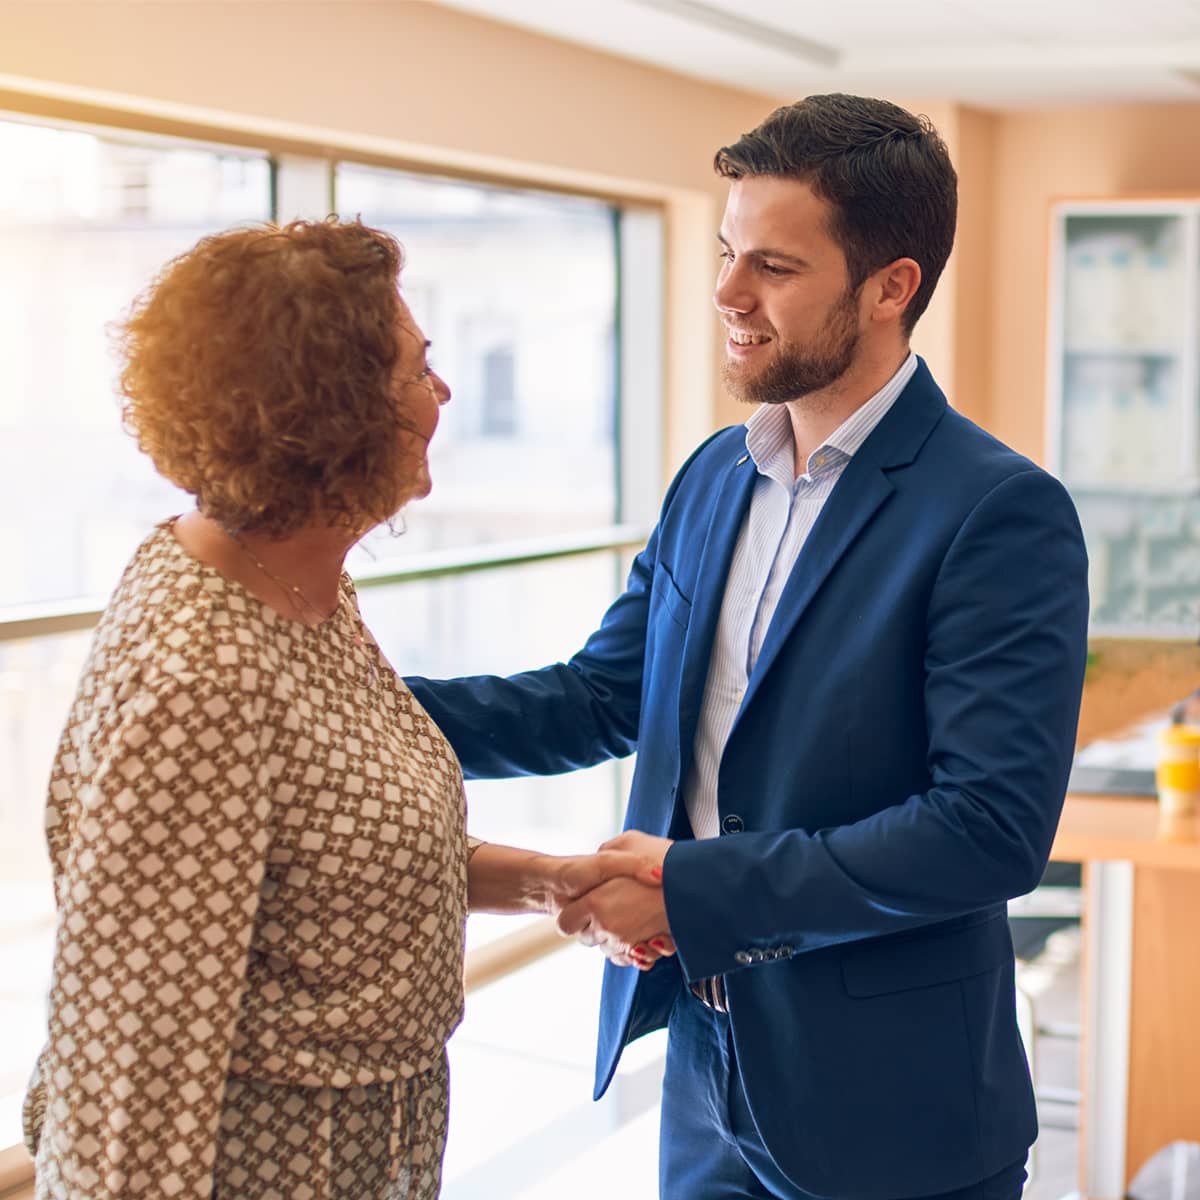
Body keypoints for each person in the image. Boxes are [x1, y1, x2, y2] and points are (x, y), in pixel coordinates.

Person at [406, 94, 1090, 1200]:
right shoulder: (715, 475)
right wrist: (348, 703)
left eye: (773, 266)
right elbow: (600, 697)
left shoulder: (997, 511)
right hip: (703, 1071)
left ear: (890, 288)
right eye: (728, 253)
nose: (727, 292)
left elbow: (986, 831)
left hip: (891, 1106)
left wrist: (694, 892)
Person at [22, 217, 658, 1200]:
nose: (444, 393)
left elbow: (332, 858)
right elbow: (127, 1096)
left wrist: (551, 883)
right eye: (417, 368)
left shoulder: (300, 588)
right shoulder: (200, 681)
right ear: (331, 413)